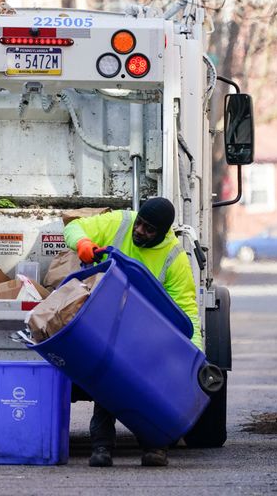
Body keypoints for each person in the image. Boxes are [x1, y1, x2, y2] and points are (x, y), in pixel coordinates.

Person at [63, 197, 202, 468]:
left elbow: (186, 311)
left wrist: (193, 356)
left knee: (148, 388)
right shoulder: (121, 221)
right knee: (107, 381)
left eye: (149, 229)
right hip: (109, 321)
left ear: (162, 233)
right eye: (140, 223)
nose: (139, 230)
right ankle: (101, 447)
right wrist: (82, 243)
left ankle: (155, 447)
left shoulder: (174, 257)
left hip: (146, 331)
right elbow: (74, 227)